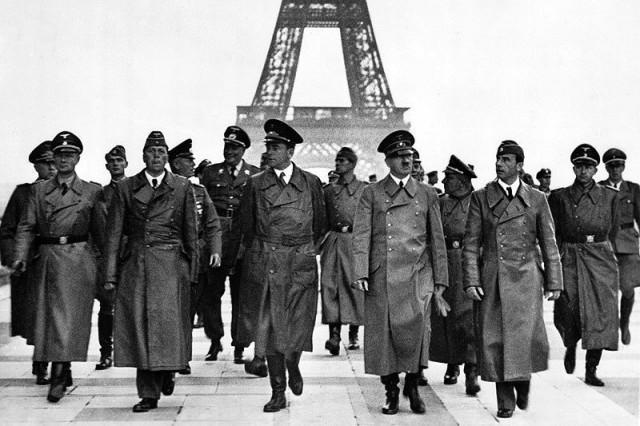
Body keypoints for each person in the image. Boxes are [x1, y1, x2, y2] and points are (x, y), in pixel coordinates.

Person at [463, 140, 562, 419]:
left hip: (527, 276)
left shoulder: (538, 199)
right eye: (497, 159)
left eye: (506, 160)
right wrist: (471, 280)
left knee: (523, 336)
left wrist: (554, 282)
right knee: (495, 338)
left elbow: (549, 243)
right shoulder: (481, 197)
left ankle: (523, 379)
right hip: (493, 276)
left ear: (519, 166)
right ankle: (505, 398)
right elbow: (471, 244)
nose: (499, 164)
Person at [352, 130, 449, 415]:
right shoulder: (372, 193)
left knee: (417, 331)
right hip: (383, 274)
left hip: (418, 274)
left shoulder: (428, 193)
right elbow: (361, 236)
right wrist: (361, 271)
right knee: (384, 336)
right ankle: (391, 390)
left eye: (410, 156)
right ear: (388, 160)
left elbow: (437, 238)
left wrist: (441, 279)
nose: (407, 161)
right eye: (400, 156)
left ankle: (414, 385)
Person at [235, 119, 327, 412]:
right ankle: (277, 390)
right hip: (270, 260)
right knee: (274, 330)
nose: (270, 152)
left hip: (300, 261)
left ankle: (293, 364)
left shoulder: (311, 183)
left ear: (290, 150)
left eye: (276, 147)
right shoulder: (256, 183)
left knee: (298, 325)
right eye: (269, 147)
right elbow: (245, 226)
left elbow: (321, 224)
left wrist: (303, 248)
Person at [104, 131, 199, 412]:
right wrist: (110, 274)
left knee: (168, 327)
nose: (156, 157)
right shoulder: (126, 188)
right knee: (142, 328)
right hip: (139, 266)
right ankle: (148, 392)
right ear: (143, 156)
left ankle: (168, 369)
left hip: (171, 267)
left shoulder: (182, 187)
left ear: (167, 157)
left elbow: (191, 232)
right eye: (151, 152)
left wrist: (193, 271)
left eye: (161, 152)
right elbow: (113, 235)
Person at [12, 131, 105, 403]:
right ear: (53, 157)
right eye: (60, 154)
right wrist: (20, 255)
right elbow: (27, 226)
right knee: (49, 321)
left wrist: (106, 266)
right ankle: (59, 369)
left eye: (69, 154)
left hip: (78, 260)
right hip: (48, 259)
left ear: (77, 158)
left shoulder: (92, 191)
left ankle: (60, 371)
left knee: (71, 320)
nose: (64, 159)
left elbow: (101, 232)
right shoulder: (38, 191)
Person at [549, 144, 620, 387]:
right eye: (579, 166)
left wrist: (606, 253)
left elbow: (615, 229)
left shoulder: (610, 196)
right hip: (569, 254)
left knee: (600, 313)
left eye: (588, 166)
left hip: (600, 256)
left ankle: (591, 368)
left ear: (596, 168)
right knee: (568, 307)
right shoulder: (559, 197)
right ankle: (570, 344)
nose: (584, 171)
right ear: (573, 168)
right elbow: (553, 231)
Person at [201, 126, 261, 370]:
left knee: (241, 294)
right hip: (217, 237)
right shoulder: (210, 173)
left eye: (235, 147)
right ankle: (215, 339)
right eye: (227, 146)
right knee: (211, 292)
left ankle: (240, 343)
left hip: (242, 238)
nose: (230, 151)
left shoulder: (255, 174)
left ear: (244, 149)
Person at [0, 141, 56, 385]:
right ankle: (41, 362)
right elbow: (7, 231)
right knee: (37, 316)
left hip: (57, 263)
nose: (52, 168)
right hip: (31, 266)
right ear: (36, 166)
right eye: (47, 164)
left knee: (58, 315)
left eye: (55, 163)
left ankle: (59, 364)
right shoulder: (24, 193)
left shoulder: (64, 192)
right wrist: (14, 260)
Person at [168, 139, 222, 374]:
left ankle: (198, 348)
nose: (192, 163)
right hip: (174, 258)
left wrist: (216, 249)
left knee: (199, 305)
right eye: (188, 160)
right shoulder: (166, 191)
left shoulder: (200, 192)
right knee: (178, 309)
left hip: (198, 260)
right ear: (176, 163)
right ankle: (177, 355)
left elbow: (212, 223)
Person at [429, 155, 481, 395]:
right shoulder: (440, 202)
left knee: (468, 318)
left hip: (469, 263)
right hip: (444, 262)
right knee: (446, 318)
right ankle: (452, 364)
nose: (443, 181)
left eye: (448, 177)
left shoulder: (478, 202)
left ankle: (471, 368)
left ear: (461, 180)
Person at [321, 147, 367, 355]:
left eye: (342, 161)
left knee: (355, 287)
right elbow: (321, 219)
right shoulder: (328, 191)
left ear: (352, 164)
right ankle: (334, 335)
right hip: (334, 240)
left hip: (355, 242)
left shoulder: (364, 190)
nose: (337, 164)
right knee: (330, 286)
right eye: (337, 160)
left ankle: (354, 332)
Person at [599, 148, 640, 345]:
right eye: (611, 165)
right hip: (606, 243)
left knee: (628, 288)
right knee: (607, 291)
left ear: (624, 166)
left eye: (619, 165)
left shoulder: (633, 189)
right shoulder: (599, 188)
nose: (615, 169)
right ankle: (612, 326)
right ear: (606, 167)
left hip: (629, 245)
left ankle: (624, 324)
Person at [94, 145, 128, 371]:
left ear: (126, 164)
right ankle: (106, 352)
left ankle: (127, 349)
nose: (115, 164)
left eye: (119, 161)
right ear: (107, 166)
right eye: (112, 161)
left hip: (130, 253)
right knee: (106, 306)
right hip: (107, 255)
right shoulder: (101, 194)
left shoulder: (135, 189)